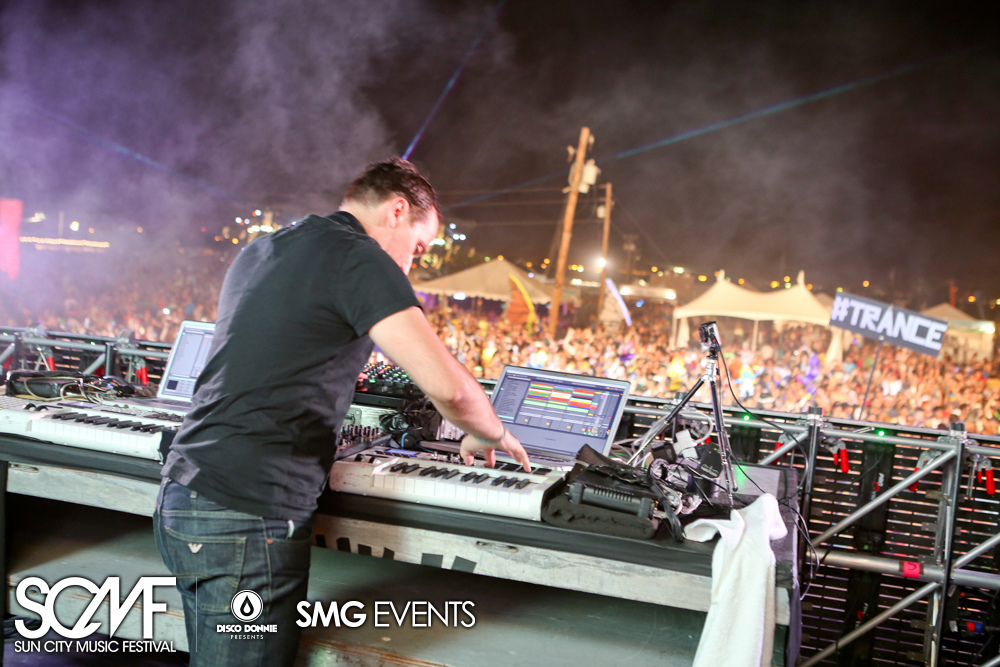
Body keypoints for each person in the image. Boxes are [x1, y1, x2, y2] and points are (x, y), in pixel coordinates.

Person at [153, 158, 530, 667]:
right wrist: (490, 431)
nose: (411, 265)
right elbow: (450, 389)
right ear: (397, 211)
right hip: (247, 510)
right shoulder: (359, 257)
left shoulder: (265, 247)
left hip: (184, 492)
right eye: (419, 248)